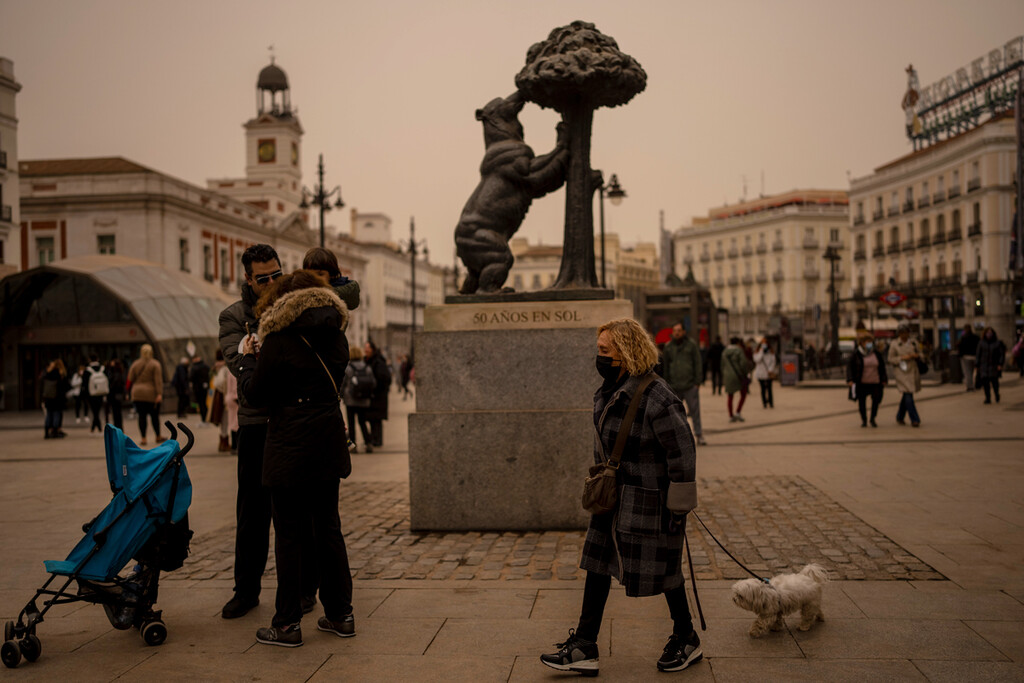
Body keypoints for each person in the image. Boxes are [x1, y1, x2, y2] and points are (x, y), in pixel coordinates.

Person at [540, 318, 700, 676]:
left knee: (666, 573)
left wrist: (678, 506)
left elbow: (683, 453)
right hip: (613, 499)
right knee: (596, 566)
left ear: (625, 353)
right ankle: (584, 644)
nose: (598, 356)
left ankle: (686, 636)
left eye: (604, 350)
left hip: (649, 502)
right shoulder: (612, 389)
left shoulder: (658, 396)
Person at [238, 270, 355, 648]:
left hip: (290, 443)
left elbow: (256, 395)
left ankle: (287, 624)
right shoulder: (337, 335)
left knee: (289, 534)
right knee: (328, 528)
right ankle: (341, 615)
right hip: (327, 438)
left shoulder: (280, 339)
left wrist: (248, 362)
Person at [219, 243, 315, 620]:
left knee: (298, 512)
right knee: (252, 512)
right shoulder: (234, 317)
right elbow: (238, 365)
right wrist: (253, 355)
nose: (273, 283)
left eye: (278, 274)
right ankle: (246, 590)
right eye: (264, 278)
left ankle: (306, 588)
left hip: (292, 423)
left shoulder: (297, 304)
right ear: (248, 278)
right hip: (257, 425)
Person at [661, 322, 707, 445]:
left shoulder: (691, 345)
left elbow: (698, 363)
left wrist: (697, 382)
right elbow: (665, 366)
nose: (676, 332)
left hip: (690, 385)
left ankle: (699, 434)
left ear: (683, 332)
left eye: (679, 330)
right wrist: (666, 384)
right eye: (674, 330)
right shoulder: (668, 347)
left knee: (695, 411)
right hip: (674, 386)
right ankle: (677, 437)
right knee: (674, 414)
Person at [846, 332, 887, 427]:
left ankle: (873, 418)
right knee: (862, 402)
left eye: (870, 341)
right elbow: (850, 367)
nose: (869, 344)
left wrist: (884, 379)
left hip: (875, 381)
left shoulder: (876, 353)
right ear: (861, 343)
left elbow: (882, 367)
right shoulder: (856, 354)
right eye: (867, 342)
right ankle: (864, 419)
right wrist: (850, 380)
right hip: (861, 382)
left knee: (876, 400)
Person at [302, 246, 360, 312]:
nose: (315, 279)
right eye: (310, 275)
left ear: (332, 275)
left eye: (320, 274)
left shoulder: (337, 297)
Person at [128, 344, 164, 445]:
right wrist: (159, 394)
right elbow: (158, 381)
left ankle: (143, 438)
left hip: (137, 393)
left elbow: (130, 378)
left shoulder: (135, 364)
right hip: (151, 394)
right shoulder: (155, 364)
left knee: (141, 416)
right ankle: (158, 436)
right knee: (154, 416)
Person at [887, 323, 922, 427]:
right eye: (902, 333)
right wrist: (902, 358)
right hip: (901, 372)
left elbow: (922, 354)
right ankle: (915, 419)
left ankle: (900, 416)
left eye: (906, 332)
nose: (904, 335)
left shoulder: (914, 343)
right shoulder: (894, 344)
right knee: (908, 394)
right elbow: (890, 359)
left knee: (907, 394)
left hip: (912, 370)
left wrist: (916, 355)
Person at [342, 345, 376, 453]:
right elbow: (373, 383)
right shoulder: (367, 367)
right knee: (362, 422)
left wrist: (341, 395)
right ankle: (368, 443)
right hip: (364, 400)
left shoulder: (348, 368)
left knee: (351, 423)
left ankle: (353, 446)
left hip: (350, 400)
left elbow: (343, 384)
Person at [364, 341, 391, 448]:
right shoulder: (369, 360)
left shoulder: (378, 362)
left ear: (373, 349)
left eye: (367, 348)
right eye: (365, 348)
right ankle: (374, 438)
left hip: (378, 395)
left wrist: (375, 389)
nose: (366, 350)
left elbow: (384, 379)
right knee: (372, 418)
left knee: (376, 419)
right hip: (373, 395)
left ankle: (377, 439)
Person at [722, 336, 753, 422]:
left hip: (728, 376)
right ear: (737, 343)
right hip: (739, 376)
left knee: (730, 396)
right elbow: (743, 363)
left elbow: (722, 365)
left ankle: (731, 415)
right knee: (743, 394)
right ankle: (738, 412)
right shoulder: (739, 350)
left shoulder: (725, 352)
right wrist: (746, 372)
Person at [40, 359, 70, 439]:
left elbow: (42, 385)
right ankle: (56, 431)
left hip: (48, 398)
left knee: (49, 414)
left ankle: (47, 431)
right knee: (56, 414)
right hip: (57, 399)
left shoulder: (47, 373)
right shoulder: (60, 375)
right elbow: (66, 386)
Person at [976, 327, 1005, 405]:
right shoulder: (981, 343)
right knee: (985, 382)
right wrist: (977, 365)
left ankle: (996, 394)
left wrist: (1000, 364)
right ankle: (987, 397)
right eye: (987, 333)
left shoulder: (997, 343)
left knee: (994, 381)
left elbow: (1001, 354)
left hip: (994, 365)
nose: (989, 334)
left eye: (990, 333)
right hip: (984, 366)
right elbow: (978, 354)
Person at [82, 354, 108, 433]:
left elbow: (84, 383)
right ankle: (97, 426)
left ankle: (95, 426)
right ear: (97, 359)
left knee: (94, 410)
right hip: (101, 392)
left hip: (91, 394)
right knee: (97, 410)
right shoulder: (103, 369)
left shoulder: (87, 370)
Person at [211, 349, 231, 452]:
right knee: (225, 419)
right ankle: (224, 442)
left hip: (217, 395)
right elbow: (221, 382)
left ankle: (222, 442)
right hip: (223, 395)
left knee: (223, 419)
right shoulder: (225, 368)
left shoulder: (215, 368)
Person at [752, 338, 777, 409]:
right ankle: (764, 403)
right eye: (762, 344)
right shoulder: (758, 352)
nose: (764, 345)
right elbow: (756, 360)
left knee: (769, 388)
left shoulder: (771, 352)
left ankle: (771, 402)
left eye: (765, 344)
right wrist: (761, 352)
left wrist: (770, 369)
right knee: (762, 389)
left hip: (769, 373)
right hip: (760, 373)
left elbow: (773, 361)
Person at [104, 358, 126, 431]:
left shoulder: (114, 373)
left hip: (113, 395)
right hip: (119, 395)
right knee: (118, 412)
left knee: (115, 412)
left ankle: (117, 427)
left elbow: (112, 384)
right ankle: (120, 427)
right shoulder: (121, 372)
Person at [957, 324, 980, 392]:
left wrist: (960, 355)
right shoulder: (975, 337)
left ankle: (970, 386)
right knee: (973, 372)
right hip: (974, 356)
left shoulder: (963, 338)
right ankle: (973, 384)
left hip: (966, 357)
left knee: (968, 372)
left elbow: (959, 347)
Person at [190, 355, 211, 423]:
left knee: (201, 404)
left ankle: (203, 419)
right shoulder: (206, 366)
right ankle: (207, 417)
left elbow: (191, 377)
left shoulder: (194, 367)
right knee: (204, 403)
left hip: (197, 388)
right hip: (205, 387)